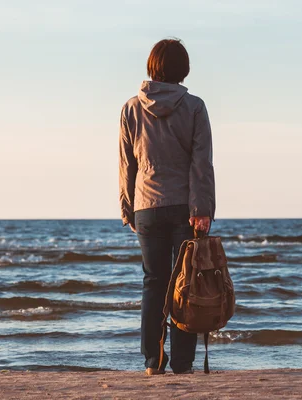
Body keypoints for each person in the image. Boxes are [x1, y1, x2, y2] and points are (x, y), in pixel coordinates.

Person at [119, 38, 216, 375]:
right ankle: (183, 362)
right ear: (183, 69)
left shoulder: (131, 107)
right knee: (186, 285)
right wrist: (202, 210)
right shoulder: (194, 107)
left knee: (153, 283)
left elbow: (126, 164)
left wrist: (127, 207)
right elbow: (201, 164)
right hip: (186, 208)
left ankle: (152, 361)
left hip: (146, 206)